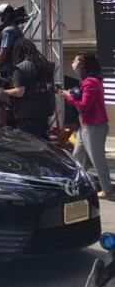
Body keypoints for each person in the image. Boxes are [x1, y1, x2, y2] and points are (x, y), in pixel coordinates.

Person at [60, 52, 113, 199]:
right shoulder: (91, 81)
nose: (74, 64)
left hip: (94, 127)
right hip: (86, 126)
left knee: (97, 159)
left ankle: (107, 191)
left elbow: (84, 106)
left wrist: (68, 97)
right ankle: (78, 185)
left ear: (83, 65)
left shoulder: (90, 82)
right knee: (78, 156)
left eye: (76, 62)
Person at [2, 39, 54, 138]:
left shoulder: (21, 68)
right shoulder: (46, 65)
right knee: (43, 142)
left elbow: (20, 92)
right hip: (43, 112)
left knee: (28, 144)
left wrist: (4, 92)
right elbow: (49, 86)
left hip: (27, 114)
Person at [0, 4, 22, 126]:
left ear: (5, 16)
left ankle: (3, 128)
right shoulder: (13, 29)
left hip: (7, 72)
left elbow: (3, 52)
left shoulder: (8, 31)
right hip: (12, 70)